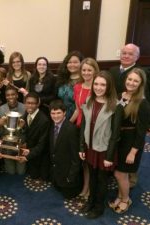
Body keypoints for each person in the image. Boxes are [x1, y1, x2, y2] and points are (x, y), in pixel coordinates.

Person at [109, 43, 150, 188]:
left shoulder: (142, 73)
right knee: (117, 149)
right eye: (124, 53)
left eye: (130, 54)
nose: (126, 56)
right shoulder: (113, 70)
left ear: (137, 57)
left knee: (132, 149)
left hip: (134, 118)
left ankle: (131, 177)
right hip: (117, 116)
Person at [79, 71, 121, 219]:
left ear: (109, 86)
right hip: (90, 146)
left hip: (104, 149)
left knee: (102, 179)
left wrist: (109, 156)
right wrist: (81, 147)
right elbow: (84, 125)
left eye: (103, 84)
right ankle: (90, 201)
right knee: (92, 176)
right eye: (96, 84)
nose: (98, 87)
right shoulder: (89, 100)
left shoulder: (115, 105)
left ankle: (99, 207)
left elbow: (115, 134)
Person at [109, 68, 150, 214]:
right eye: (130, 79)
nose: (131, 83)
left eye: (136, 81)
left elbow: (141, 133)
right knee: (118, 173)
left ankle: (126, 199)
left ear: (141, 84)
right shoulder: (120, 95)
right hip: (118, 140)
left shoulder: (142, 103)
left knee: (121, 174)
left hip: (131, 143)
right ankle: (120, 196)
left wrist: (133, 152)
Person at [71, 58, 100, 199]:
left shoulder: (99, 86)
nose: (86, 72)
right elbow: (77, 110)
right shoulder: (77, 87)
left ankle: (89, 189)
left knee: (91, 161)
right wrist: (67, 125)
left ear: (95, 71)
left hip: (93, 129)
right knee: (83, 160)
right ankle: (85, 187)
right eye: (84, 70)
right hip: (79, 127)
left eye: (89, 70)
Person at [48, 99, 82, 199]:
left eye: (59, 113)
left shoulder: (71, 129)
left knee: (68, 196)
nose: (55, 116)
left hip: (68, 179)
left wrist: (70, 177)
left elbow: (76, 158)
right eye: (53, 113)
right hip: (57, 173)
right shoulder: (52, 125)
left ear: (65, 113)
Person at [18, 92, 50, 180]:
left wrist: (27, 157)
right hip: (29, 151)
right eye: (28, 103)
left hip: (40, 156)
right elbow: (25, 133)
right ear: (24, 103)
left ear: (38, 104)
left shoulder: (44, 120)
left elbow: (42, 145)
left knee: (42, 177)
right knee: (32, 175)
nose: (30, 106)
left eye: (33, 103)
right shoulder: (25, 115)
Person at [0, 86, 26, 175]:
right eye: (8, 95)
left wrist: (23, 127)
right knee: (10, 172)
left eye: (13, 94)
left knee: (21, 172)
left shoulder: (24, 108)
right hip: (7, 145)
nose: (10, 97)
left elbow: (28, 129)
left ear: (17, 95)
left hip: (21, 144)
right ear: (5, 97)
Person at [56, 51, 84, 120]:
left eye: (75, 62)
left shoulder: (84, 80)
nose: (72, 65)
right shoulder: (62, 78)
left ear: (81, 63)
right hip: (61, 116)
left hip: (78, 117)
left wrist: (69, 122)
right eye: (69, 62)